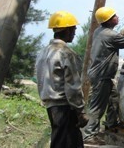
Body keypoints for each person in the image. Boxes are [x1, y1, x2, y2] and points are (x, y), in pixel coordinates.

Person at [84, 6, 124, 142]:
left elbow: (114, 41)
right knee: (97, 106)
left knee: (114, 99)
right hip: (102, 75)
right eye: (114, 16)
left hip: (102, 75)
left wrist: (121, 34)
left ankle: (111, 123)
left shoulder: (100, 31)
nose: (117, 17)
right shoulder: (110, 35)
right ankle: (88, 135)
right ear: (108, 20)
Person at [36, 11, 88, 148]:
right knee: (65, 143)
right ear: (68, 30)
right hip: (65, 108)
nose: (75, 32)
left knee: (64, 141)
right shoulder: (66, 53)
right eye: (74, 29)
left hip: (51, 105)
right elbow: (73, 87)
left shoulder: (43, 52)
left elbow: (40, 80)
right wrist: (80, 111)